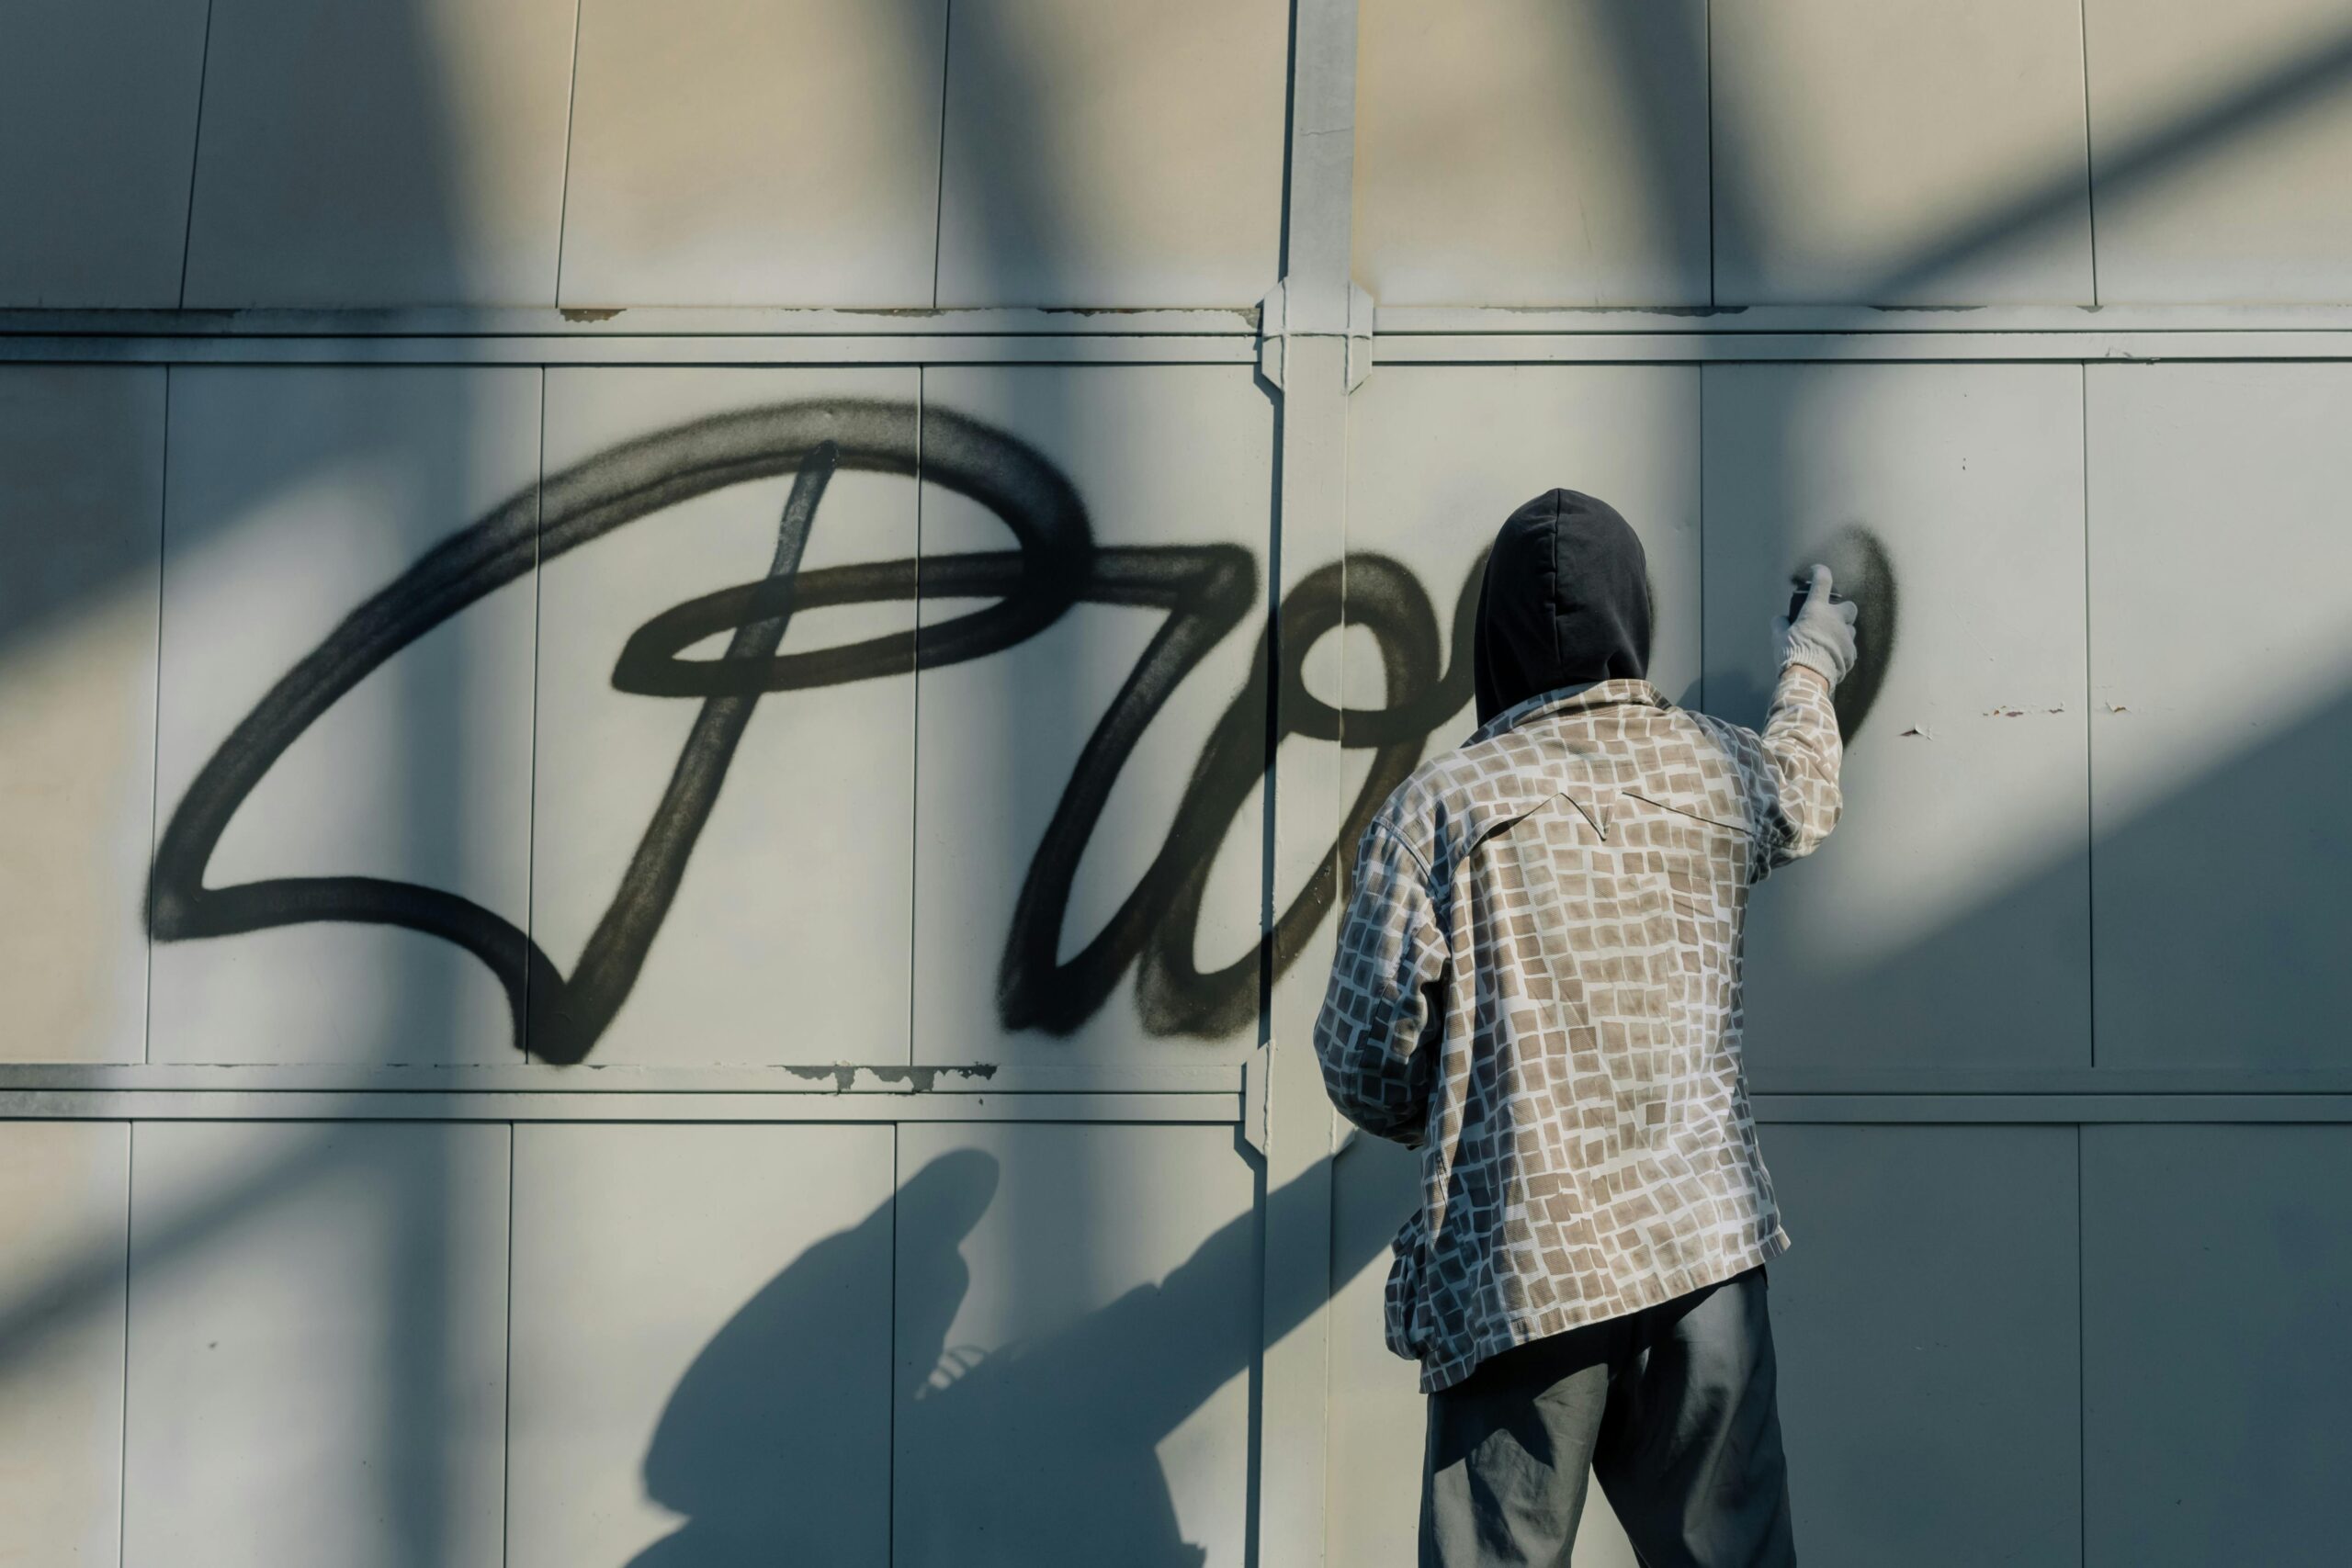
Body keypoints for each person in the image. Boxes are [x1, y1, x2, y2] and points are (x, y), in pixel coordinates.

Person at [1312, 489, 1860, 1568]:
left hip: (1521, 1268)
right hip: (1697, 1256)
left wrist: (1469, 1094)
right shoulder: (1709, 766)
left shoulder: (1437, 807)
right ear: (1634, 613)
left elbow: (1361, 1059)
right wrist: (1811, 660)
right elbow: (1804, 791)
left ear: (1493, 634)